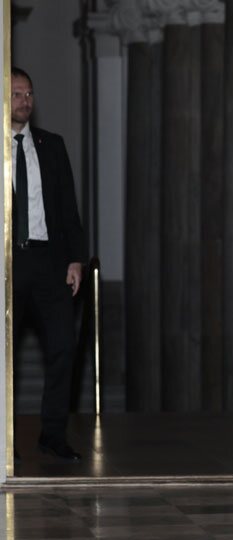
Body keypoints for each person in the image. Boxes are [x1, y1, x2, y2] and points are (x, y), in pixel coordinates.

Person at [10, 67, 87, 461]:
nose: (25, 100)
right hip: (7, 264)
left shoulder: (51, 145)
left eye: (29, 93)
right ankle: (5, 441)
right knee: (5, 354)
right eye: (17, 93)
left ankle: (52, 435)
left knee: (63, 346)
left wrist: (75, 258)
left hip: (49, 261)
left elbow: (68, 208)